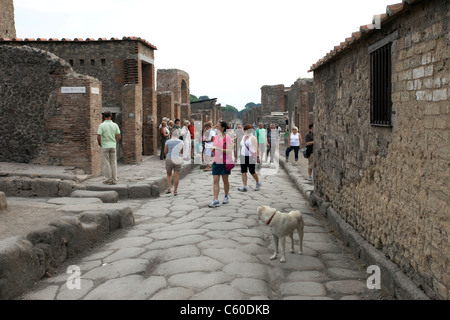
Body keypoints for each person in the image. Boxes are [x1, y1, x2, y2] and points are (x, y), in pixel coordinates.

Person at [208, 120, 233, 208]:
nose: (216, 127)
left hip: (225, 162)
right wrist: (211, 148)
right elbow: (213, 149)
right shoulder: (215, 137)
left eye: (218, 126)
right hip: (216, 161)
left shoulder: (228, 138)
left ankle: (226, 196)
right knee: (215, 181)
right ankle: (215, 200)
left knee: (225, 181)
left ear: (222, 128)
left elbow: (229, 150)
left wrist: (219, 149)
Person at [97, 111, 121, 185]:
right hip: (113, 146)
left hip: (105, 146)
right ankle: (114, 180)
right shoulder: (115, 125)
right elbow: (119, 136)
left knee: (106, 163)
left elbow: (98, 136)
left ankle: (108, 179)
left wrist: (100, 144)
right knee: (113, 163)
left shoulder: (102, 125)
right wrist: (115, 142)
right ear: (111, 116)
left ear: (104, 116)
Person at [238, 124, 261, 192]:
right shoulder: (243, 137)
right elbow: (242, 145)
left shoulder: (253, 138)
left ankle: (257, 182)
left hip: (251, 156)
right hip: (243, 155)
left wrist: (257, 157)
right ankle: (244, 186)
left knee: (252, 171)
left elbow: (257, 148)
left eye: (244, 129)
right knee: (243, 171)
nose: (243, 130)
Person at [164, 129, 184, 196]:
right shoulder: (181, 142)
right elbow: (182, 152)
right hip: (177, 159)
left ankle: (169, 188)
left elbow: (165, 151)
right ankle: (175, 191)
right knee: (176, 176)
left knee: (169, 175)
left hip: (169, 158)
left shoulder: (167, 141)